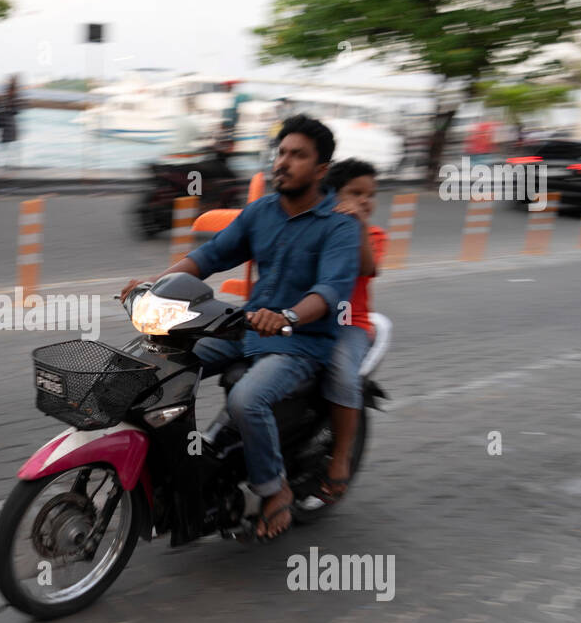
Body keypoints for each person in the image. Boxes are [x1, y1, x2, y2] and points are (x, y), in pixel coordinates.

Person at [121, 114, 360, 540]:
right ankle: (174, 468)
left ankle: (275, 489)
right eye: (281, 152)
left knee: (247, 400)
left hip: (300, 343)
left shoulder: (339, 226)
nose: (283, 162)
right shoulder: (261, 212)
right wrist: (155, 286)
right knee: (154, 362)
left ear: (321, 169)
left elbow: (330, 289)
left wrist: (287, 316)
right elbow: (209, 256)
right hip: (245, 330)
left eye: (298, 155)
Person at [318, 159, 386, 505]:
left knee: (343, 375)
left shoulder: (372, 234)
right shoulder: (318, 226)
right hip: (308, 321)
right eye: (355, 193)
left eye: (369, 195)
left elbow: (367, 266)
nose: (365, 201)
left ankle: (341, 456)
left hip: (350, 326)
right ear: (332, 195)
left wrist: (358, 225)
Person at [0, 74, 22, 170]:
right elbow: (15, 111)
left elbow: (12, 110)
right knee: (7, 146)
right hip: (7, 125)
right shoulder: (11, 96)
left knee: (1, 145)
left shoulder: (9, 96)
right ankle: (6, 165)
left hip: (5, 124)